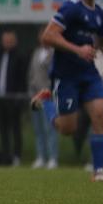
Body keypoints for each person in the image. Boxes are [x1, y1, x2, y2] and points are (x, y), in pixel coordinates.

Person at [30, 0, 103, 182]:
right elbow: (47, 37)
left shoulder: (100, 14)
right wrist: (78, 49)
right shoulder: (70, 8)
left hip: (89, 74)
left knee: (101, 115)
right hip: (66, 75)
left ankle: (98, 172)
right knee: (67, 129)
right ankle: (46, 101)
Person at [0, 30, 26, 166]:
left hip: (13, 98)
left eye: (10, 41)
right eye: (5, 40)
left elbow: (22, 79)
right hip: (0, 99)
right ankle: (6, 155)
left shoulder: (19, 57)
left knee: (15, 128)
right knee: (2, 129)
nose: (7, 43)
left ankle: (17, 155)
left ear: (15, 42)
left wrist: (19, 98)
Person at [28, 29, 58, 169]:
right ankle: (41, 156)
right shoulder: (36, 53)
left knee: (49, 128)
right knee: (38, 128)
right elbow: (31, 73)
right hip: (35, 96)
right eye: (41, 37)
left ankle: (53, 158)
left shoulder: (54, 54)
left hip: (48, 96)